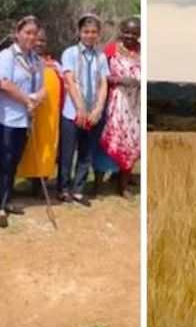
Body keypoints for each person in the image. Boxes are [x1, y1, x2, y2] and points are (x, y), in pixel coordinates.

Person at [0, 16, 45, 228]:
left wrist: (37, 99)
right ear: (17, 33)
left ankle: (7, 198)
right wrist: (26, 99)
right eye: (27, 33)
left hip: (24, 120)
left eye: (34, 33)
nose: (31, 37)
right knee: (3, 162)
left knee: (13, 162)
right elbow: (4, 83)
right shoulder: (7, 56)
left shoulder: (36, 60)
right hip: (6, 118)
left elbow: (41, 88)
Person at [58, 13, 109, 208]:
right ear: (79, 33)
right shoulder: (70, 53)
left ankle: (78, 189)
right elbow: (70, 81)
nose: (89, 35)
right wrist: (80, 108)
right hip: (73, 112)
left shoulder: (101, 56)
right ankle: (63, 187)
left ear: (99, 34)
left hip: (93, 112)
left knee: (86, 153)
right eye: (86, 31)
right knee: (67, 152)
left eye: (94, 32)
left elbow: (103, 83)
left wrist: (98, 109)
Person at [16, 28, 63, 197]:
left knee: (46, 147)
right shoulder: (22, 61)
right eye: (36, 39)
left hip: (49, 116)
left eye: (42, 40)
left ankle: (40, 181)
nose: (38, 43)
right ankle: (23, 181)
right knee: (25, 147)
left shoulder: (55, 65)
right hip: (26, 111)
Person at [100, 17, 141, 199]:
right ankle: (98, 182)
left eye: (135, 33)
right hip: (114, 103)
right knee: (110, 140)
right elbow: (100, 76)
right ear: (121, 31)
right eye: (127, 32)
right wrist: (119, 80)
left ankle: (122, 185)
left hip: (135, 107)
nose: (130, 36)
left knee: (131, 143)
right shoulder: (110, 50)